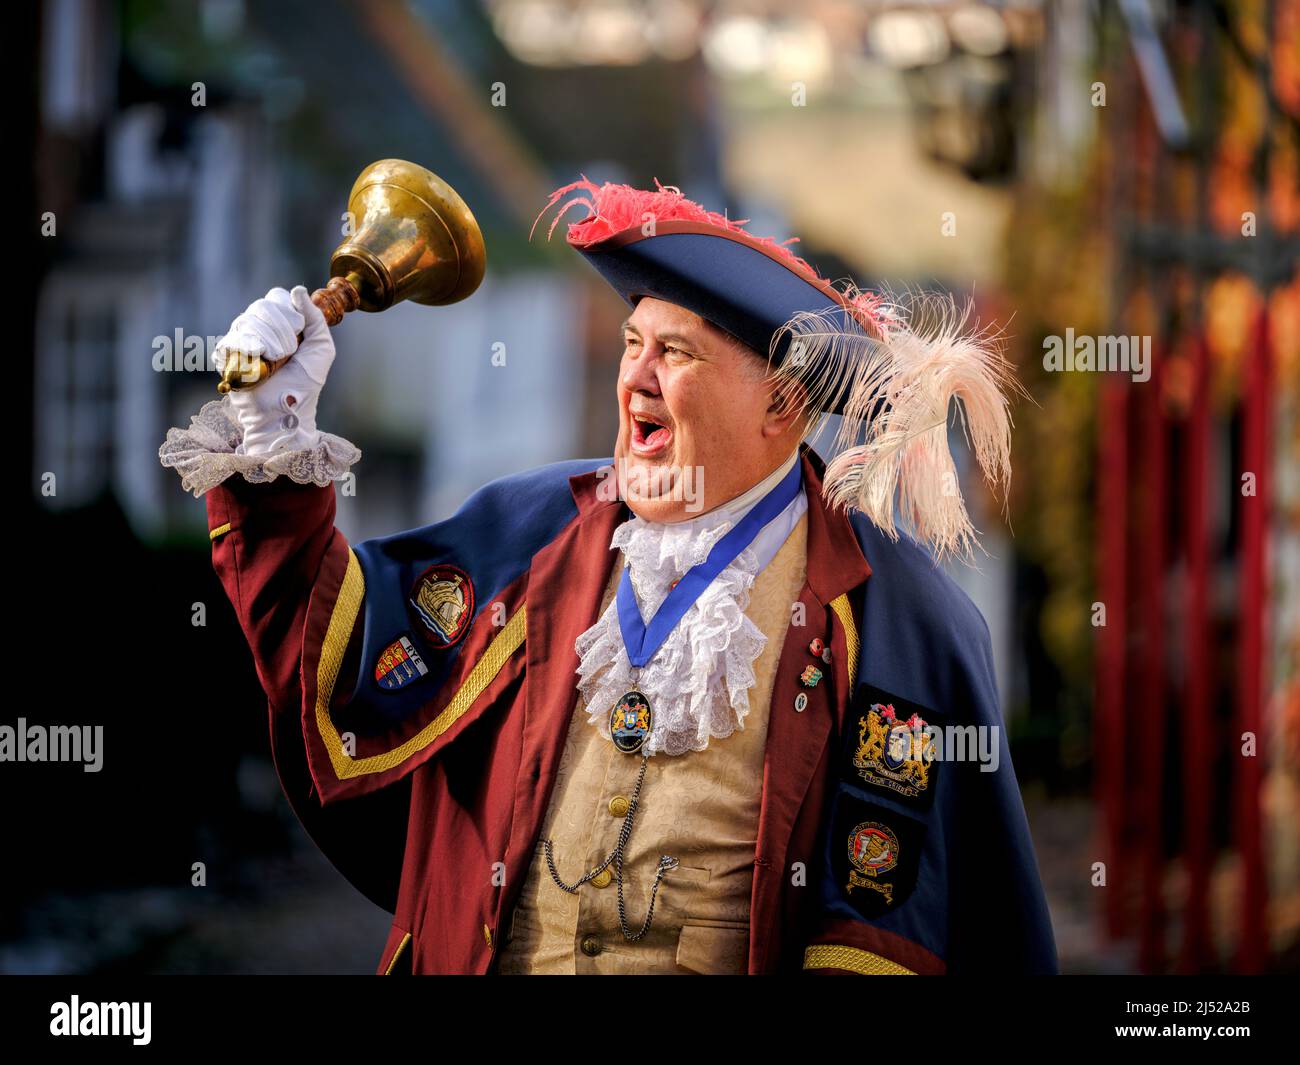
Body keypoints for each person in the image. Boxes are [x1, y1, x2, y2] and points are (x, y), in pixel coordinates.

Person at [159, 177, 1058, 975]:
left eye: (679, 352)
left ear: (783, 405)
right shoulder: (528, 534)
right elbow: (334, 659)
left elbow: (945, 924)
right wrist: (271, 445)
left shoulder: (897, 622)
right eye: (634, 342)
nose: (637, 378)